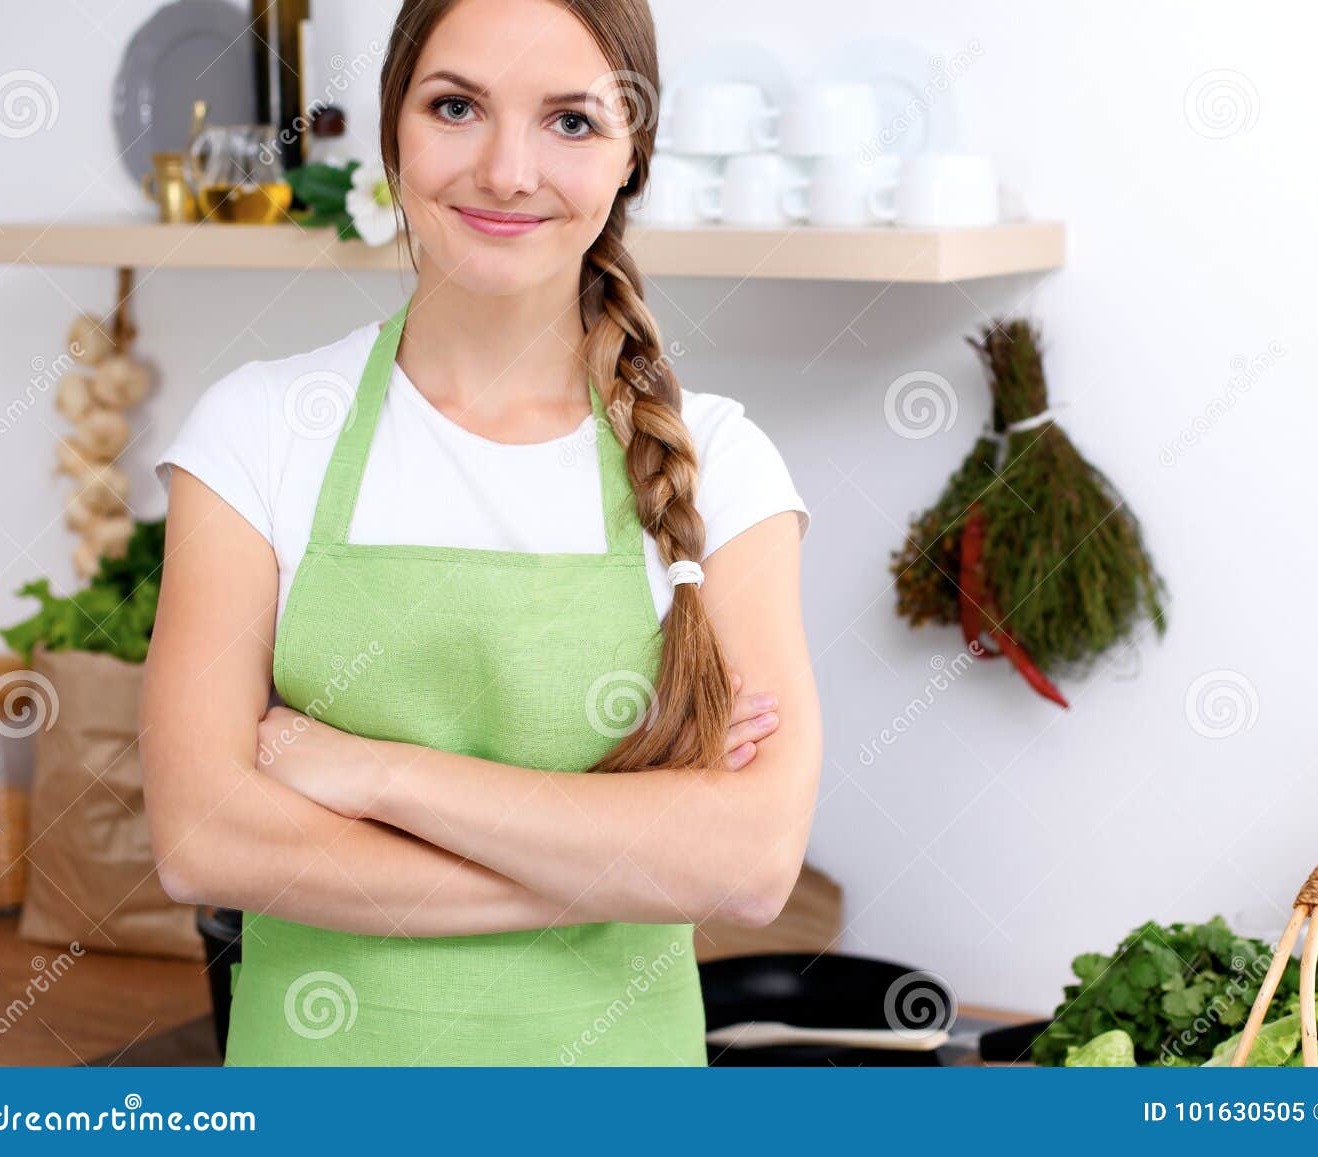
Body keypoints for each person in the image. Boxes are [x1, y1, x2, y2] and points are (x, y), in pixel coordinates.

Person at [140, 0, 820, 1066]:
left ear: (631, 155)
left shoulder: (724, 464)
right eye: (456, 106)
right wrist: (616, 861)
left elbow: (749, 862)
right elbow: (200, 837)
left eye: (570, 121)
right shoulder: (260, 429)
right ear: (393, 130)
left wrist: (368, 773)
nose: (506, 171)